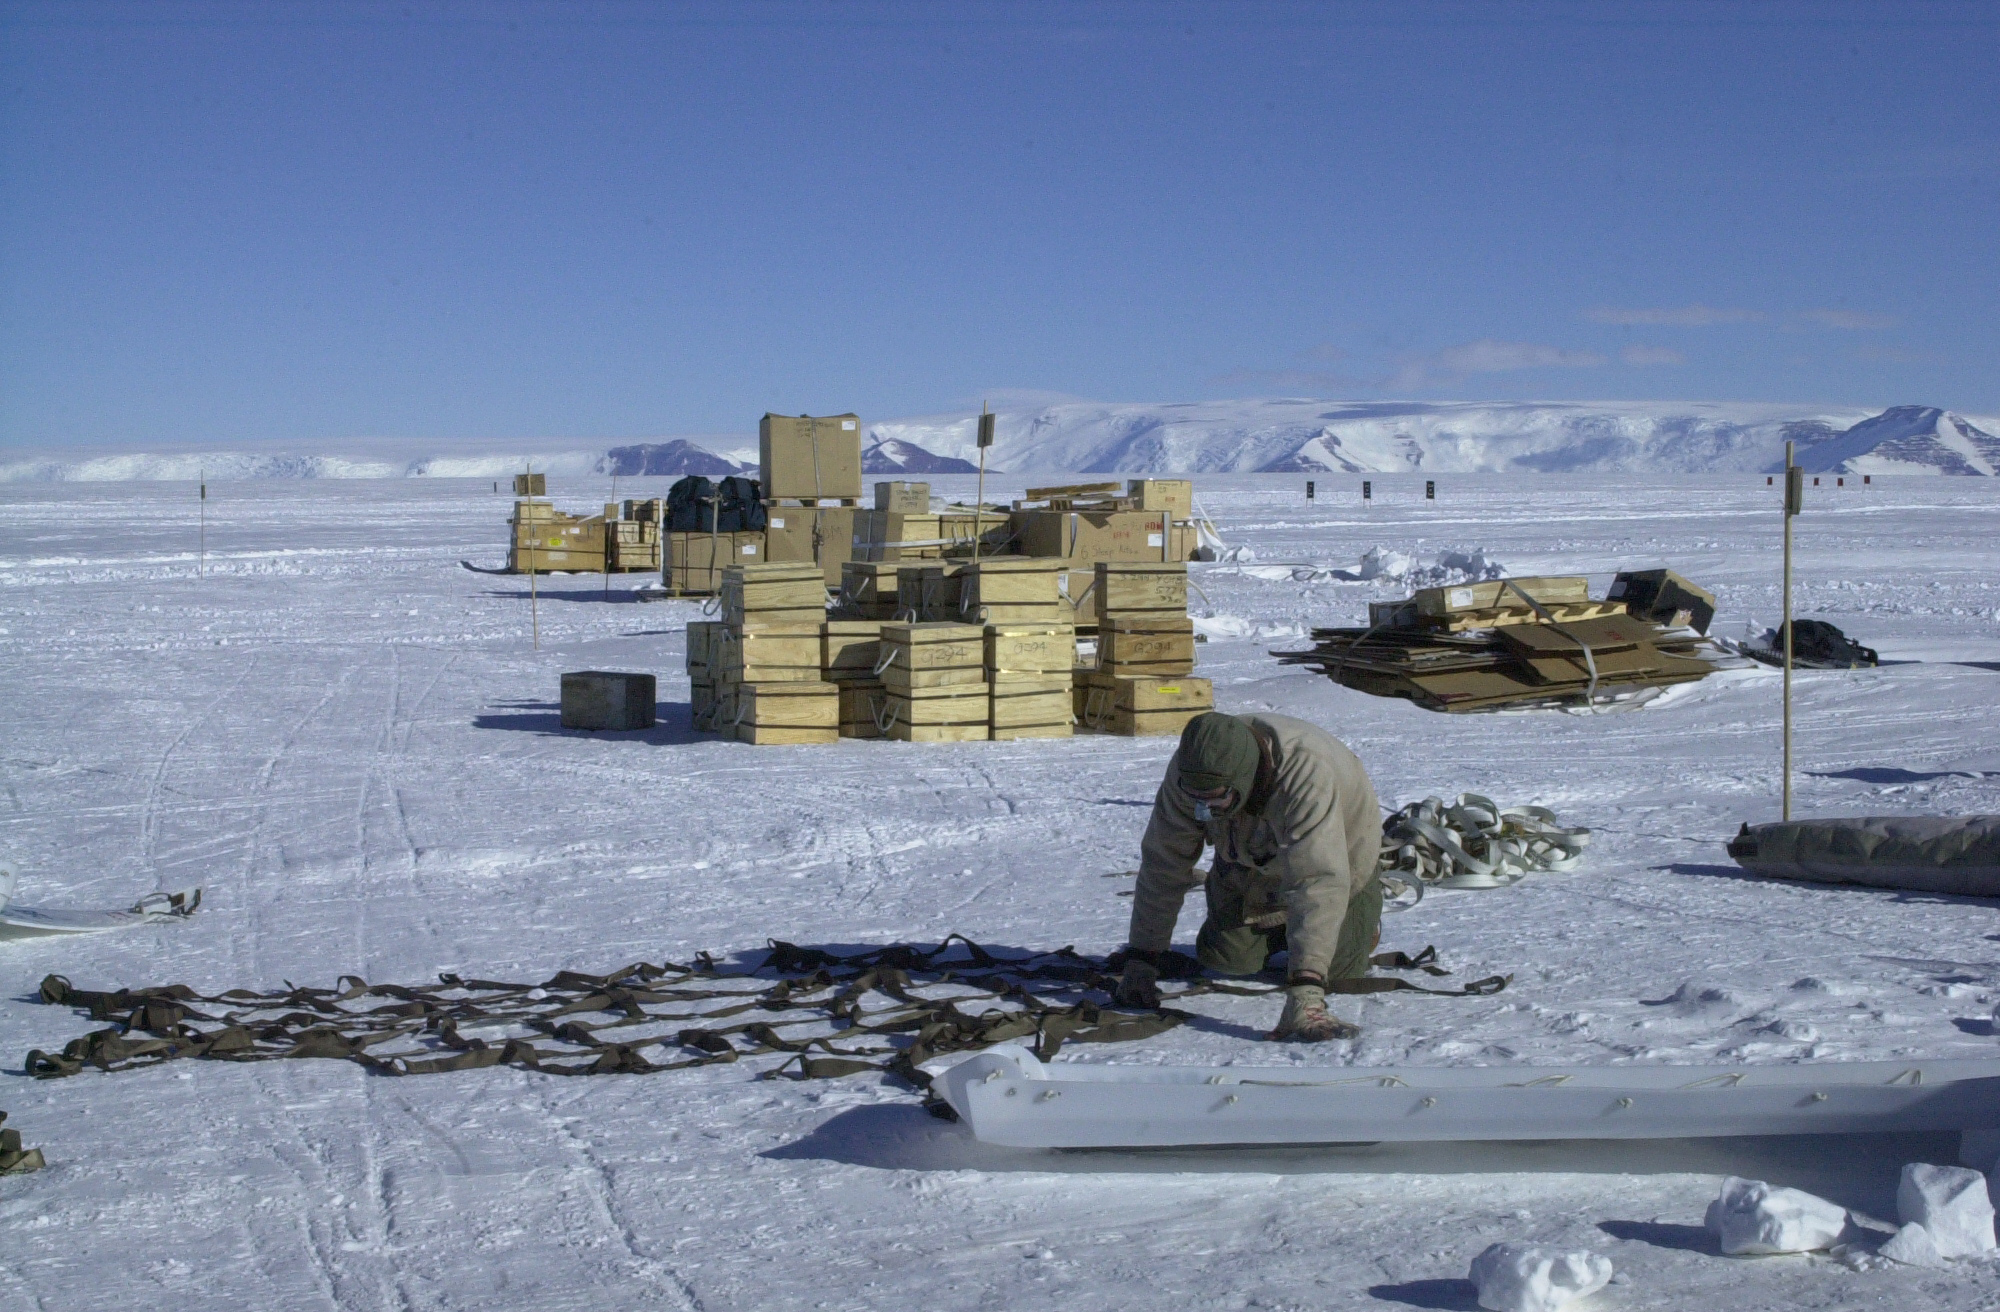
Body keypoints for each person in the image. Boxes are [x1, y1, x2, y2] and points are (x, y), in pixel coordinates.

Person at [1113, 711, 1384, 1042]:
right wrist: (1142, 958)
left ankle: (1352, 926)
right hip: (1251, 867)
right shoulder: (1192, 772)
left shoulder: (1306, 773)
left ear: (1243, 779)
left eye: (1214, 799)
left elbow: (1317, 880)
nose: (1202, 811)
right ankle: (1284, 935)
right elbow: (1163, 864)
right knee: (1226, 961)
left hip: (1340, 867)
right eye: (1196, 800)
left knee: (1339, 974)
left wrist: (1307, 993)